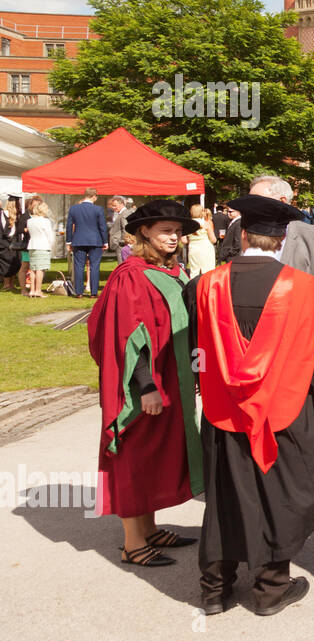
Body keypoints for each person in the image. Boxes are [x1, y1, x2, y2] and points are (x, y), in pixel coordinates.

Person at [185, 194, 314, 616]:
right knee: (277, 492)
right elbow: (312, 351)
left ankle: (215, 588)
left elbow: (198, 351)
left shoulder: (204, 285)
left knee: (226, 494)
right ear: (282, 239)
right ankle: (270, 590)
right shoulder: (305, 289)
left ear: (242, 233)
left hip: (223, 409)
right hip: (284, 408)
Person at [87, 200, 204, 567]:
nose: (175, 237)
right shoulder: (131, 275)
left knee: (157, 453)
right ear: (144, 232)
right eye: (166, 230)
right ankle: (132, 543)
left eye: (178, 231)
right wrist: (146, 386)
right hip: (146, 386)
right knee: (136, 454)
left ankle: (150, 528)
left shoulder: (169, 271)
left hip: (172, 379)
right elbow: (128, 336)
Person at [218, 176, 314, 356]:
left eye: (257, 200)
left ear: (282, 201)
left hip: (302, 341)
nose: (250, 207)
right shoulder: (244, 231)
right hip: (252, 341)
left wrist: (297, 299)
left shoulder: (312, 236)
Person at [67, 187, 108, 298]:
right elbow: (102, 227)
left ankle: (79, 292)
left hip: (78, 240)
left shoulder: (73, 209)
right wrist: (105, 241)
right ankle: (93, 293)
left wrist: (68, 241)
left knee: (78, 266)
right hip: (95, 240)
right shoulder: (98, 209)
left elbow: (69, 226)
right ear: (94, 196)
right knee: (95, 266)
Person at [22, 198, 55, 297]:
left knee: (33, 269)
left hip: (32, 245)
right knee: (40, 269)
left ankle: (32, 290)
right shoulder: (45, 221)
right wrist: (51, 245)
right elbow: (50, 235)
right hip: (42, 246)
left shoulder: (30, 221)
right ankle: (38, 290)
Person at [186, 205, 218, 275]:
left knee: (194, 270)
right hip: (206, 248)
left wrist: (192, 240)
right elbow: (213, 240)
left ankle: (194, 285)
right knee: (208, 270)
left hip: (193, 248)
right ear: (201, 212)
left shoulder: (187, 224)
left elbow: (184, 240)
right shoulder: (206, 223)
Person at [105, 196, 129, 264]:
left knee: (122, 264)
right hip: (119, 243)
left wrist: (122, 242)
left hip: (121, 244)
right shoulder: (120, 214)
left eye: (115, 205)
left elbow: (125, 229)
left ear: (121, 204)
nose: (113, 207)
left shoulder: (124, 214)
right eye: (112, 206)